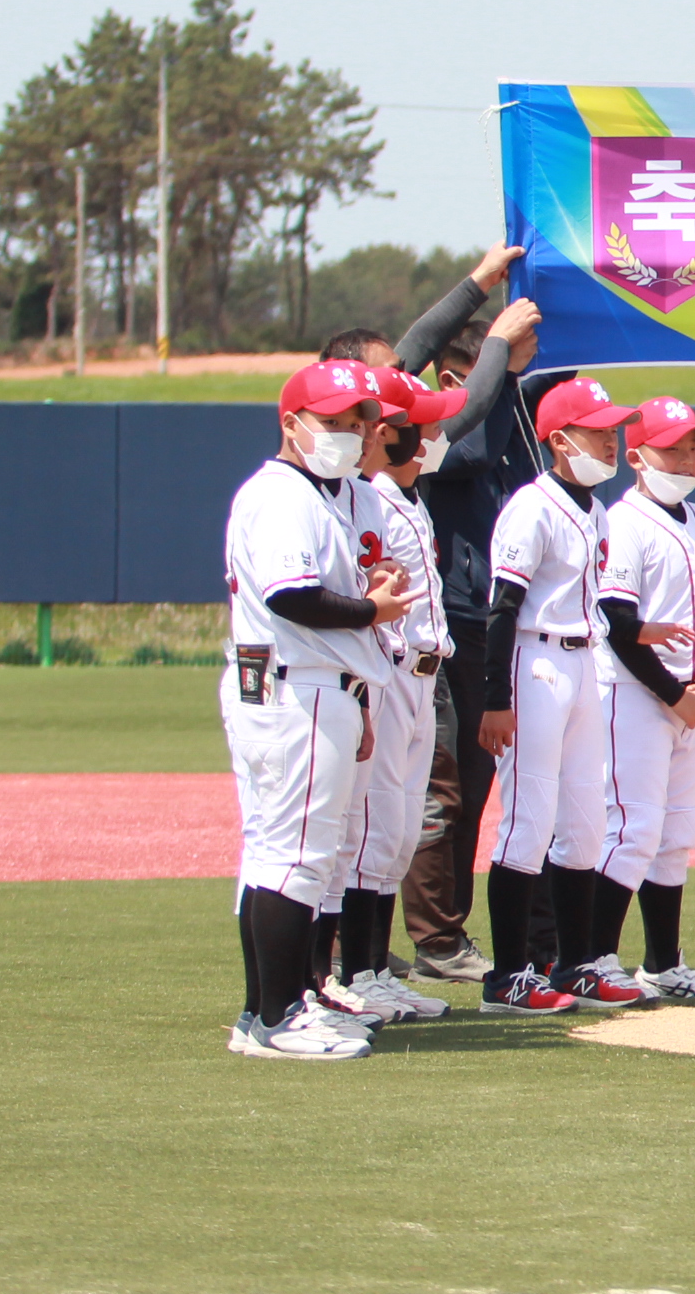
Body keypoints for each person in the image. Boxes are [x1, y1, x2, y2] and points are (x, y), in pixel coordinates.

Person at [220, 360, 415, 1058]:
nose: (348, 433)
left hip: (305, 683)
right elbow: (292, 595)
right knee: (295, 857)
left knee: (279, 854)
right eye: (331, 421)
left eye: (357, 422)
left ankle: (265, 1011)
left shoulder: (324, 493)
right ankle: (278, 1018)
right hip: (293, 686)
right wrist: (371, 610)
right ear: (291, 423)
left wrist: (371, 589)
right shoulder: (281, 495)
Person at [382, 247, 541, 983]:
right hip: (419, 639)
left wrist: (481, 287)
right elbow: (467, 433)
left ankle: (405, 946)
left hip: (467, 633)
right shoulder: (397, 446)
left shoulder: (406, 437)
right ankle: (429, 941)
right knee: (431, 795)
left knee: (462, 789)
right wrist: (498, 353)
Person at [478, 374, 640, 1014]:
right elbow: (501, 607)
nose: (610, 439)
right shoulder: (533, 506)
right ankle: (507, 975)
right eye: (596, 431)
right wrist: (495, 698)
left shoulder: (595, 511)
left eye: (612, 429)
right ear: (559, 440)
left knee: (585, 822)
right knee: (527, 819)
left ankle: (574, 964)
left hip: (581, 660)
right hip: (534, 658)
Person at [326, 363, 466, 1027]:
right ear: (390, 432)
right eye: (427, 425)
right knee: (374, 831)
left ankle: (376, 972)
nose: (436, 435)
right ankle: (357, 972)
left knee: (400, 832)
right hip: (388, 675)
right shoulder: (371, 497)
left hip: (423, 677)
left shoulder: (408, 498)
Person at [593, 395, 695, 1004]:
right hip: (636, 695)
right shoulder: (622, 523)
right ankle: (595, 962)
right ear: (636, 456)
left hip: (691, 699)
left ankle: (662, 964)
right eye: (672, 447)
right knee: (631, 830)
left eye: (693, 446)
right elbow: (617, 623)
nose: (686, 458)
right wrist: (675, 694)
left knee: (676, 834)